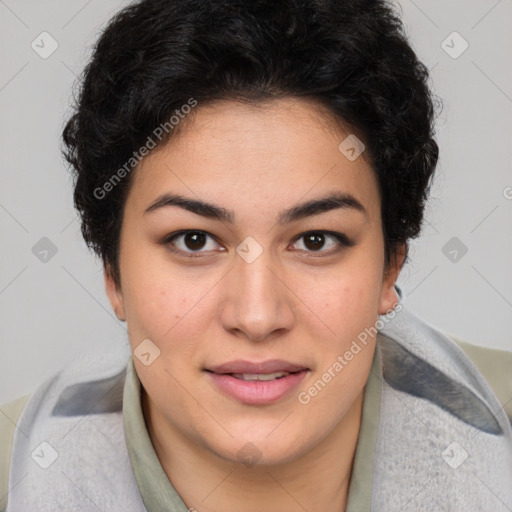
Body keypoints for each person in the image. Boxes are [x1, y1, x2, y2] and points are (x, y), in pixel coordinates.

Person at [1, 0, 511, 510]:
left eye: (316, 240)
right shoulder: (16, 473)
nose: (258, 315)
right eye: (194, 240)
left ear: (391, 263)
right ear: (113, 272)